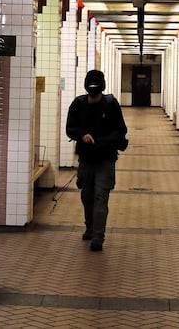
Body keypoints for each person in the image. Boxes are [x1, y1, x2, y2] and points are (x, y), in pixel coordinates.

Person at [65, 69, 128, 252]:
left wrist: (102, 142)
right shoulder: (78, 104)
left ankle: (98, 237)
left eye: (96, 85)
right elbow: (70, 128)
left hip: (106, 158)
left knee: (101, 196)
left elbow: (121, 131)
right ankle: (90, 227)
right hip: (86, 159)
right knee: (87, 195)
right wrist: (82, 135)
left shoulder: (111, 105)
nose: (93, 88)